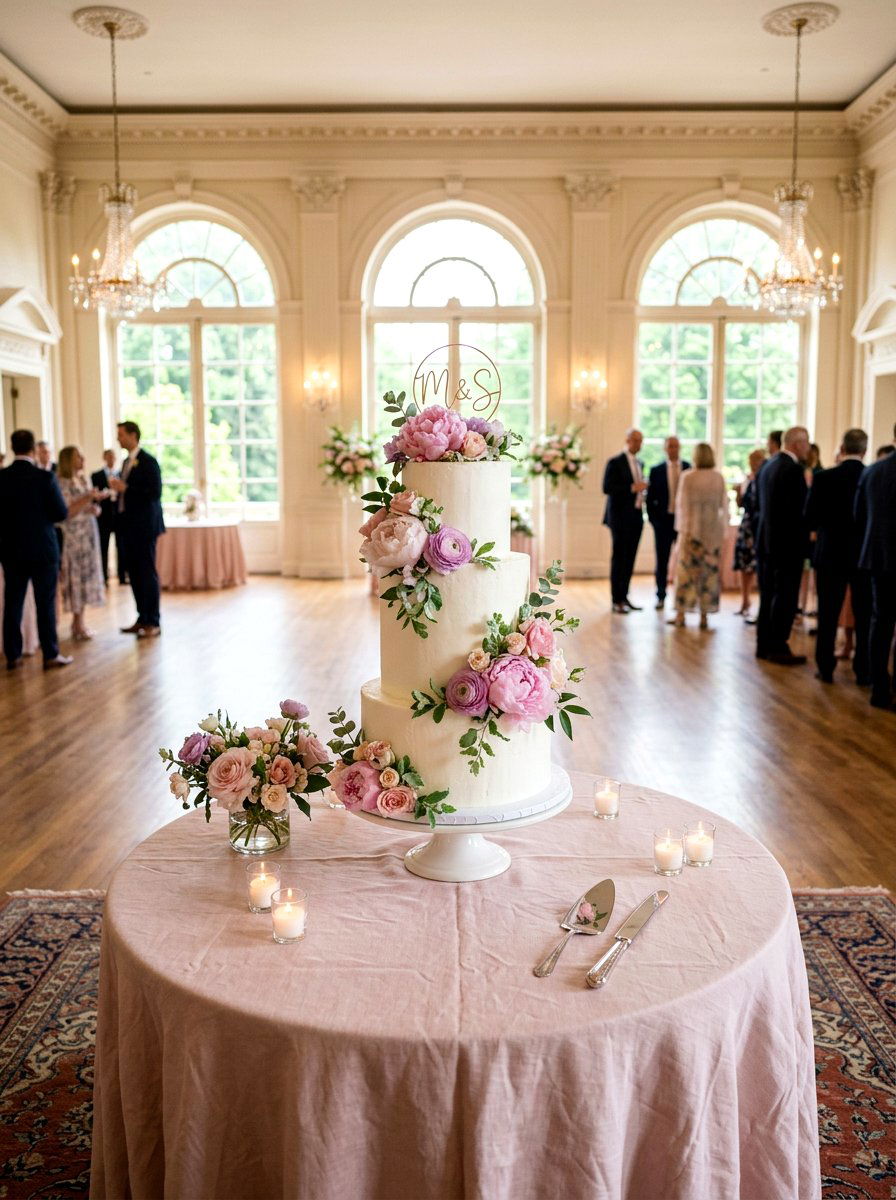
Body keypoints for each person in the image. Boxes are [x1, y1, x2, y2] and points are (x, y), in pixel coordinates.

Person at [0, 429, 72, 670]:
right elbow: (60, 513)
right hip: (42, 549)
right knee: (45, 603)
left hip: (11, 550)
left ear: (13, 448)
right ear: (32, 449)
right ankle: (50, 654)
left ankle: (13, 655)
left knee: (13, 603)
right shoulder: (44, 478)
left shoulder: (2, 478)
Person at [804, 429, 870, 685]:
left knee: (828, 613)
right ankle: (863, 669)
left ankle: (825, 666)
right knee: (864, 614)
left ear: (841, 448)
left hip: (830, 553)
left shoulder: (823, 478)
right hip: (861, 555)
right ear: (864, 450)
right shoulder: (870, 475)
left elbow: (810, 517)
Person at [754, 425, 810, 665]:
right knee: (785, 596)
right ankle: (778, 646)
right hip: (787, 545)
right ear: (797, 444)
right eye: (806, 442)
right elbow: (799, 511)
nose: (808, 447)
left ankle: (763, 644)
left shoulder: (768, 466)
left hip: (766, 541)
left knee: (768, 595)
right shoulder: (793, 469)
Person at [109, 420, 164, 638]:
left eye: (121, 434)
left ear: (133, 436)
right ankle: (142, 617)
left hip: (144, 527)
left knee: (146, 573)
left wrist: (126, 489)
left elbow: (154, 493)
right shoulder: (125, 463)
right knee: (134, 573)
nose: (118, 439)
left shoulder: (148, 461)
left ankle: (153, 620)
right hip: (128, 526)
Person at [668, 443, 728, 630]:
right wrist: (722, 533)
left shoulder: (688, 477)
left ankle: (681, 614)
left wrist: (682, 533)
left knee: (686, 575)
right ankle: (704, 616)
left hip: (690, 533)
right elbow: (724, 507)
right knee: (708, 576)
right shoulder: (718, 478)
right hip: (712, 533)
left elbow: (682, 506)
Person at [854, 447, 896, 710]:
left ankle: (879, 687)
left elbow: (858, 516)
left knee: (880, 623)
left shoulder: (873, 471)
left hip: (878, 559)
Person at [57, 445, 107, 640]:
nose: (83, 459)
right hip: (74, 537)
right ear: (69, 460)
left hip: (88, 534)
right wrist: (88, 497)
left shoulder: (83, 479)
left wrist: (94, 508)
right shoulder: (62, 482)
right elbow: (67, 511)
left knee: (87, 577)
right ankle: (76, 623)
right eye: (78, 456)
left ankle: (81, 621)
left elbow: (86, 506)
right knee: (76, 577)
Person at [602, 428, 647, 613]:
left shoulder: (640, 463)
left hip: (636, 517)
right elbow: (607, 488)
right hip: (619, 518)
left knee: (630, 558)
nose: (638, 444)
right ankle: (616, 600)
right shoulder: (615, 462)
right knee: (619, 558)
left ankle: (625, 596)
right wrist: (632, 487)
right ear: (627, 440)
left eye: (640, 440)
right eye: (635, 440)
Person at [646, 435, 690, 610]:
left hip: (683, 522)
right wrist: (654, 520)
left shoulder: (688, 468)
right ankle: (661, 596)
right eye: (670, 446)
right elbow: (649, 500)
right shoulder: (656, 470)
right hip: (663, 522)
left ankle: (682, 598)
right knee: (662, 560)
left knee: (684, 560)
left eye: (676, 446)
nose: (673, 449)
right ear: (665, 448)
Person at [733, 448, 765, 618]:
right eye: (751, 460)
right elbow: (742, 505)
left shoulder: (763, 479)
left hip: (756, 526)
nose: (753, 464)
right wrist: (737, 493)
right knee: (744, 567)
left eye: (756, 460)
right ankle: (745, 601)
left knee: (757, 567)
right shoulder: (747, 479)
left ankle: (760, 605)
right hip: (745, 526)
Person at [92, 448, 123, 584]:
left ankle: (122, 576)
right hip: (103, 518)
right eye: (108, 456)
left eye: (113, 456)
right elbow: (93, 496)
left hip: (119, 517)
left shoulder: (121, 475)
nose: (111, 459)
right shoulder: (96, 475)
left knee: (121, 547)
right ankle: (103, 576)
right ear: (104, 458)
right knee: (103, 547)